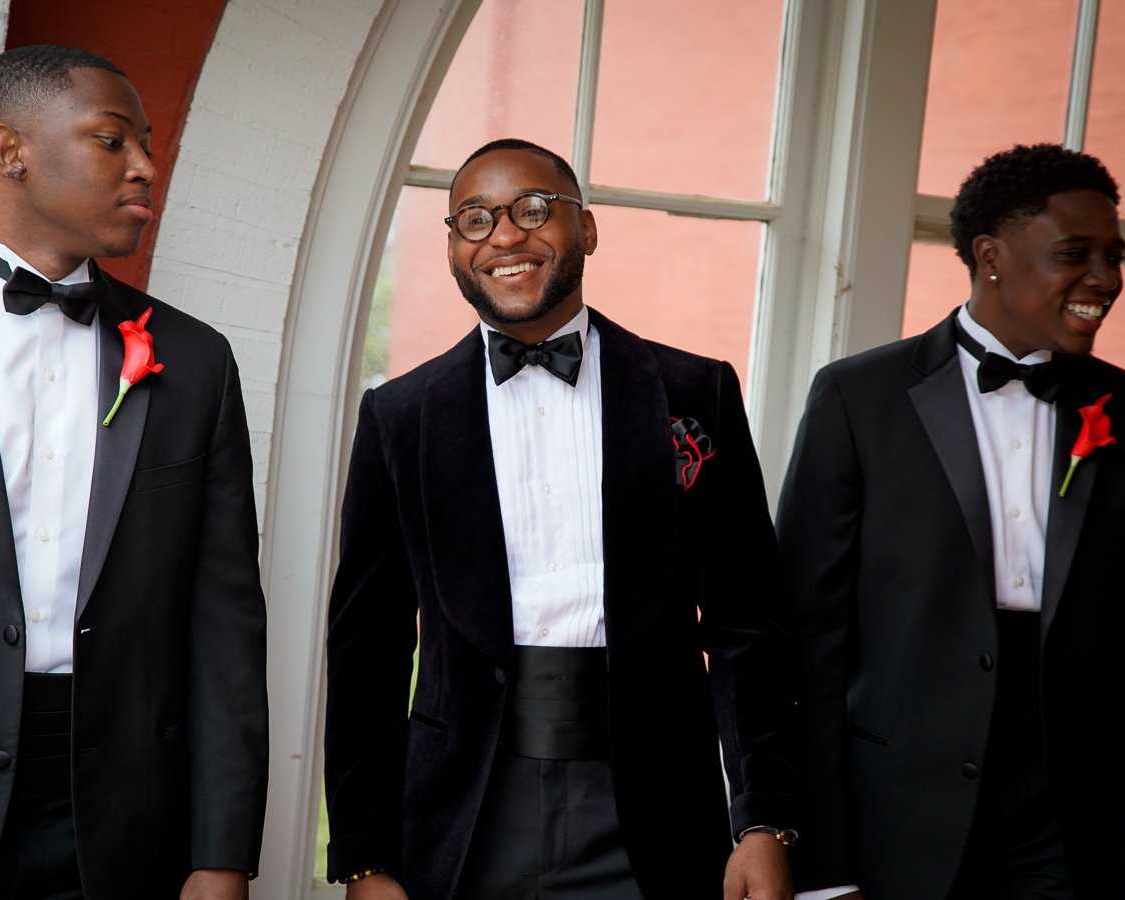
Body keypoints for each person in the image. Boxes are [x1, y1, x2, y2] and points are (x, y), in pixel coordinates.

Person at [323, 138, 800, 900]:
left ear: (587, 230)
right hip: (462, 815)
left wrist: (764, 821)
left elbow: (749, 628)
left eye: (534, 211)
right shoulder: (399, 416)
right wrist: (362, 855)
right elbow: (367, 647)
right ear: (452, 248)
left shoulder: (695, 393)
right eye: (474, 219)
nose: (505, 236)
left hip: (655, 811)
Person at [0, 46, 268, 899]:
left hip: (121, 830)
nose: (147, 167)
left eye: (147, 144)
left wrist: (220, 855)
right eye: (113, 141)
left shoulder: (194, 361)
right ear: (12, 151)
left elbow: (224, 623)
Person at [777, 143, 1125, 900]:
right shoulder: (858, 398)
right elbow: (808, 647)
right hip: (893, 824)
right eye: (1075, 254)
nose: (1105, 280)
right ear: (991, 256)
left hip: (1066, 825)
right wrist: (822, 870)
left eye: (1114, 256)